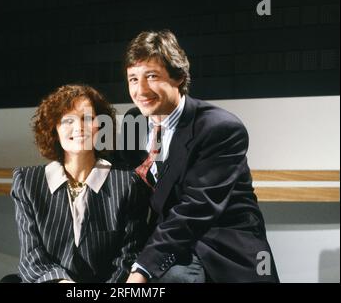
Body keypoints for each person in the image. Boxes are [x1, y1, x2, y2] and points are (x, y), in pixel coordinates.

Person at [119, 30, 279, 283]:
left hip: (217, 241)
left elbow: (195, 208)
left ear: (179, 77)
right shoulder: (133, 121)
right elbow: (120, 176)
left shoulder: (219, 128)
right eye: (133, 79)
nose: (141, 90)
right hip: (166, 236)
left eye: (152, 76)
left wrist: (143, 269)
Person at [11, 84, 149, 283]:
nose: (79, 127)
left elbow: (129, 256)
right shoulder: (28, 182)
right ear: (54, 130)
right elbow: (31, 257)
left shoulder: (127, 184)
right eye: (68, 120)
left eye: (87, 118)